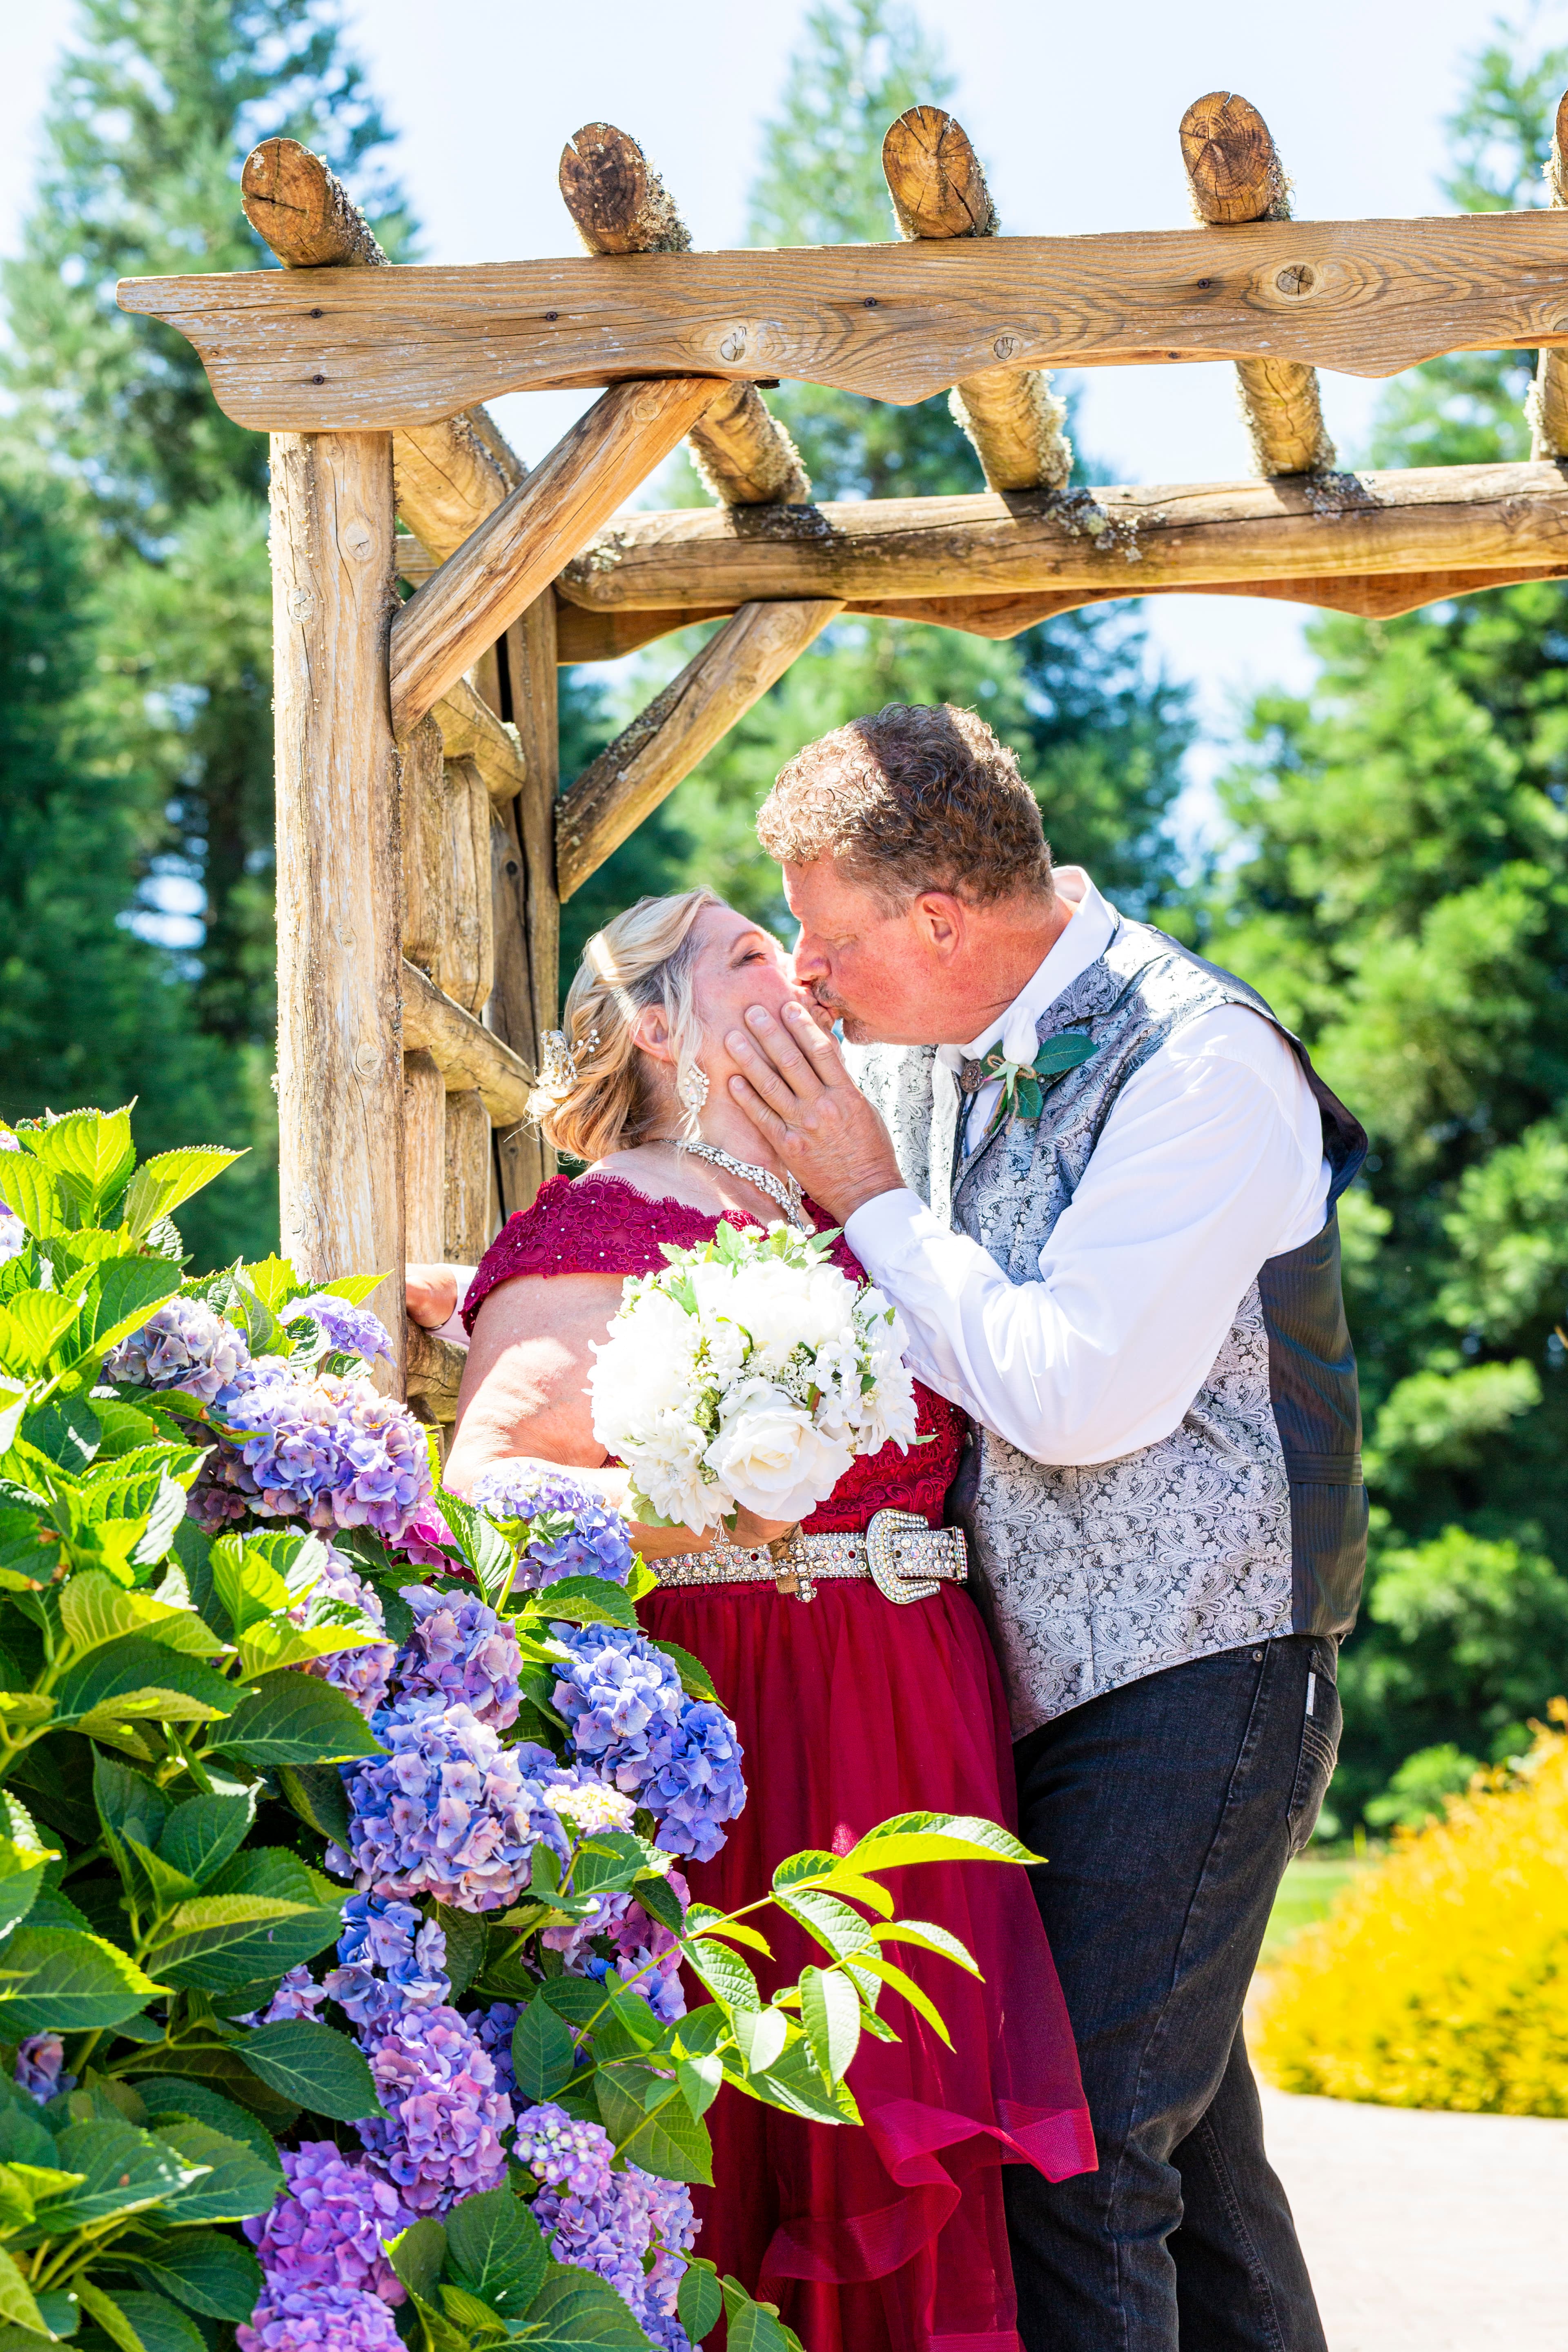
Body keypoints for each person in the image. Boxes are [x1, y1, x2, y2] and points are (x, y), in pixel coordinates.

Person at [717, 703, 1367, 2352]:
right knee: (1194, 2179)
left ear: (939, 920)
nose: (806, 971)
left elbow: (1080, 1394)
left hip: (1196, 1684)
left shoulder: (1203, 1059)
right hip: (1013, 1701)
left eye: (827, 933)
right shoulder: (922, 1042)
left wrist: (873, 1196)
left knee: (1082, 2170)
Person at [407, 885, 1095, 2352]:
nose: (793, 969)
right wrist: (710, 1518)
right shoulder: (608, 1214)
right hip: (758, 1712)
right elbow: (488, 1490)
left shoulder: (842, 1210)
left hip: (923, 1709)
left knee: (912, 2113)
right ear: (662, 1026)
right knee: (772, 2128)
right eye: (747, 954)